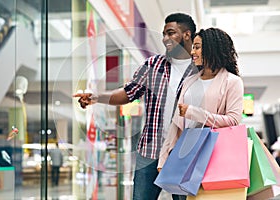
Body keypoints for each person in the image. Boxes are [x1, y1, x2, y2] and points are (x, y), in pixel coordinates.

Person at [74, 13, 197, 200]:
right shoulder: (153, 65)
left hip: (185, 153)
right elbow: (128, 92)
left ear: (187, 35)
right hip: (150, 150)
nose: (165, 39)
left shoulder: (201, 68)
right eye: (164, 34)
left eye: (171, 33)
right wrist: (96, 97)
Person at [158, 27, 244, 181]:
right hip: (183, 156)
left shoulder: (232, 82)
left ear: (212, 48)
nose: (192, 52)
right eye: (193, 47)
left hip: (214, 157)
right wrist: (163, 158)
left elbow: (233, 120)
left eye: (197, 47)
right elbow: (176, 124)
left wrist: (194, 112)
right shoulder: (189, 82)